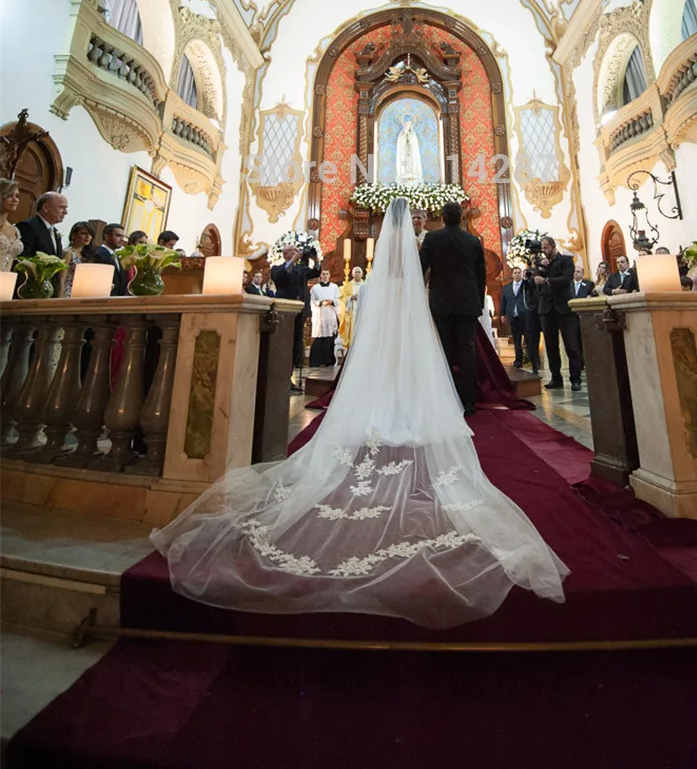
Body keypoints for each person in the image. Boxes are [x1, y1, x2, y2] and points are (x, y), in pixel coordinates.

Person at [151, 197, 568, 628]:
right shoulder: (459, 241)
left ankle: (381, 402)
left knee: (390, 357)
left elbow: (417, 271)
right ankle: (458, 402)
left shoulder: (422, 249)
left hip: (430, 302)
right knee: (445, 356)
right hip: (440, 303)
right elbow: (466, 272)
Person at [419, 201, 485, 416]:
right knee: (467, 350)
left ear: (443, 218)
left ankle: (445, 399)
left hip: (441, 301)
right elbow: (480, 275)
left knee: (444, 349)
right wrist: (479, 303)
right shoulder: (473, 240)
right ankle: (468, 402)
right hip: (468, 302)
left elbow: (421, 268)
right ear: (461, 217)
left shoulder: (432, 239)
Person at [533, 236, 583, 391]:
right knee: (550, 345)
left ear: (554, 246)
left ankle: (575, 379)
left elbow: (566, 278)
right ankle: (556, 378)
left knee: (571, 345)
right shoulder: (541, 263)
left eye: (546, 247)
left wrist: (547, 280)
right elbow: (535, 280)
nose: (544, 250)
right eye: (543, 248)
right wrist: (539, 268)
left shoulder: (566, 260)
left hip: (564, 308)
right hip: (546, 309)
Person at [270, 243, 320, 393]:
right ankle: (279, 378)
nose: (297, 253)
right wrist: (293, 261)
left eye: (297, 252)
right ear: (286, 254)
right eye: (294, 252)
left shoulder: (300, 270)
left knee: (295, 345)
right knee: (283, 344)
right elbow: (282, 275)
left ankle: (289, 378)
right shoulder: (276, 268)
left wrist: (315, 260)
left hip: (299, 312)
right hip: (284, 312)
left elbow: (315, 272)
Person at [17, 191, 68, 259]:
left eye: (65, 208)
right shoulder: (28, 226)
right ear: (46, 208)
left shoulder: (55, 232)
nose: (65, 212)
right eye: (61, 207)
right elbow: (22, 258)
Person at [309, 269, 340, 367]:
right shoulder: (315, 288)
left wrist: (332, 302)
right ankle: (316, 361)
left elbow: (338, 300)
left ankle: (329, 361)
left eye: (327, 274)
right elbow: (312, 302)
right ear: (320, 276)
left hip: (330, 315)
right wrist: (321, 302)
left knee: (330, 337)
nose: (325, 276)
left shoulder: (334, 287)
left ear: (329, 275)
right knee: (318, 337)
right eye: (323, 274)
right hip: (320, 315)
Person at [500, 267, 528, 368]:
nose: (517, 274)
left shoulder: (526, 285)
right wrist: (502, 314)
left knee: (528, 338)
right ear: (512, 275)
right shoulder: (507, 287)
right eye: (515, 273)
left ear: (521, 274)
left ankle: (531, 359)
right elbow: (503, 302)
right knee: (516, 340)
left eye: (519, 273)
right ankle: (518, 360)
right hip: (513, 316)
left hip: (525, 316)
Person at [61, 221, 95, 297]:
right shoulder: (68, 252)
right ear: (73, 235)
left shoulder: (86, 255)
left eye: (90, 234)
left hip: (82, 293)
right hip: (68, 293)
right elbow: (62, 277)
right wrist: (59, 297)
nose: (88, 237)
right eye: (83, 233)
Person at [94, 223, 128, 296]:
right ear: (106, 237)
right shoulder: (99, 254)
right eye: (118, 236)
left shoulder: (116, 255)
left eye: (123, 236)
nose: (122, 239)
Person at [338, 266, 364, 350]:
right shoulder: (347, 286)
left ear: (362, 274)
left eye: (359, 272)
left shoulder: (365, 285)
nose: (357, 274)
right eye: (355, 272)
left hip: (362, 313)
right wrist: (351, 298)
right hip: (352, 313)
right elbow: (342, 298)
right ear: (352, 274)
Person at [0, 178, 23, 271]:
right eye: (10, 195)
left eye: (17, 196)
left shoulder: (15, 230)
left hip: (6, 281)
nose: (15, 200)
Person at [395, 115, 423, 185]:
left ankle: (412, 172)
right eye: (407, 125)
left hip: (411, 153)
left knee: (412, 162)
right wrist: (405, 137)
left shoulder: (413, 134)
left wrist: (410, 140)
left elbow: (415, 145)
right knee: (404, 162)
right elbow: (400, 144)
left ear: (411, 126)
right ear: (404, 125)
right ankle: (403, 172)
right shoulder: (401, 134)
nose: (408, 126)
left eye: (409, 125)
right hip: (404, 153)